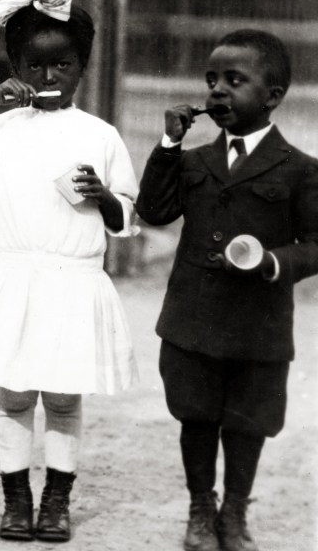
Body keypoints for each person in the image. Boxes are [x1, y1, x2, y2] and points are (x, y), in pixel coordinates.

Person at [0, 0, 138, 542]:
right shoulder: (2, 126)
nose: (48, 78)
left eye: (63, 67)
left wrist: (102, 196)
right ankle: (15, 500)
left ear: (81, 68)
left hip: (71, 281)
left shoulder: (99, 134)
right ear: (14, 66)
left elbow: (126, 211)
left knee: (61, 394)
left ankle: (56, 499)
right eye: (34, 66)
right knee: (14, 393)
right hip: (13, 275)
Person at [136, 29, 318, 551]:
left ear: (273, 95)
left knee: (247, 421)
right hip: (194, 319)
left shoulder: (299, 169)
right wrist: (169, 143)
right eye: (211, 80)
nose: (217, 92)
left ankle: (234, 512)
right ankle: (201, 507)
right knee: (196, 416)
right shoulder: (192, 160)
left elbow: (316, 243)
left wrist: (272, 261)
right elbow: (154, 210)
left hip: (257, 326)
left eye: (234, 81)